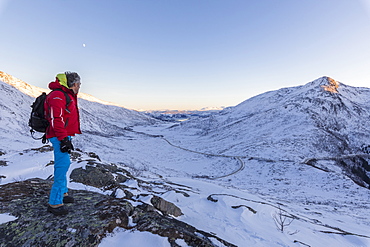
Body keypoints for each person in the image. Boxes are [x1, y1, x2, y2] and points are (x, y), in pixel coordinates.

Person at [45, 71, 82, 216]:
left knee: (64, 164)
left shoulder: (64, 94)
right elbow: (56, 119)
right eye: (78, 83)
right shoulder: (57, 95)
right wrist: (63, 139)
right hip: (59, 135)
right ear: (71, 83)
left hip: (64, 135)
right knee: (62, 165)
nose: (79, 86)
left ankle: (63, 193)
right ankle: (55, 203)